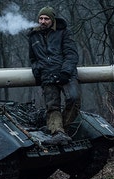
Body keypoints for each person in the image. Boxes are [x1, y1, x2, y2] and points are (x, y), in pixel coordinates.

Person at [28, 6, 81, 145]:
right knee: (52, 107)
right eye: (41, 18)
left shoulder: (63, 33)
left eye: (46, 18)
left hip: (66, 74)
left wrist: (65, 72)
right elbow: (33, 59)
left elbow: (72, 54)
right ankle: (57, 133)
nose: (43, 21)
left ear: (52, 20)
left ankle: (61, 129)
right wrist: (36, 70)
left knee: (74, 99)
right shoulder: (33, 36)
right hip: (47, 76)